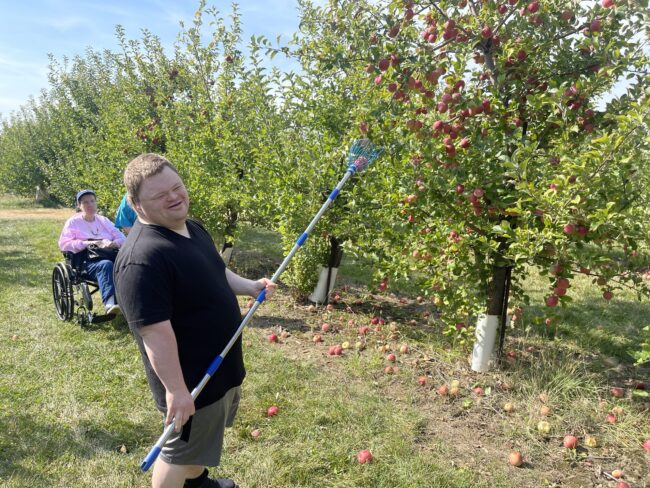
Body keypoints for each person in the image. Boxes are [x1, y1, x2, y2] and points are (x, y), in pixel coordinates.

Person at [114, 154, 276, 488]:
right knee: (178, 454)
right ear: (136, 204)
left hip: (221, 368)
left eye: (177, 187)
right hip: (191, 383)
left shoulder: (191, 227)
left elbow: (214, 270)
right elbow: (154, 333)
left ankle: (197, 482)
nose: (174, 197)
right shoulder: (142, 260)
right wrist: (177, 391)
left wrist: (250, 287)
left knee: (199, 445)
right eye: (160, 195)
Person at [58, 189, 126, 315]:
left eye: (92, 201)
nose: (90, 205)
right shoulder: (73, 222)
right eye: (85, 202)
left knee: (128, 265)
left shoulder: (103, 220)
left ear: (96, 203)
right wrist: (87, 243)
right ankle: (110, 304)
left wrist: (114, 243)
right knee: (105, 265)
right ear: (79, 205)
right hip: (85, 261)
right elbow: (64, 244)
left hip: (108, 253)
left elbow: (121, 237)